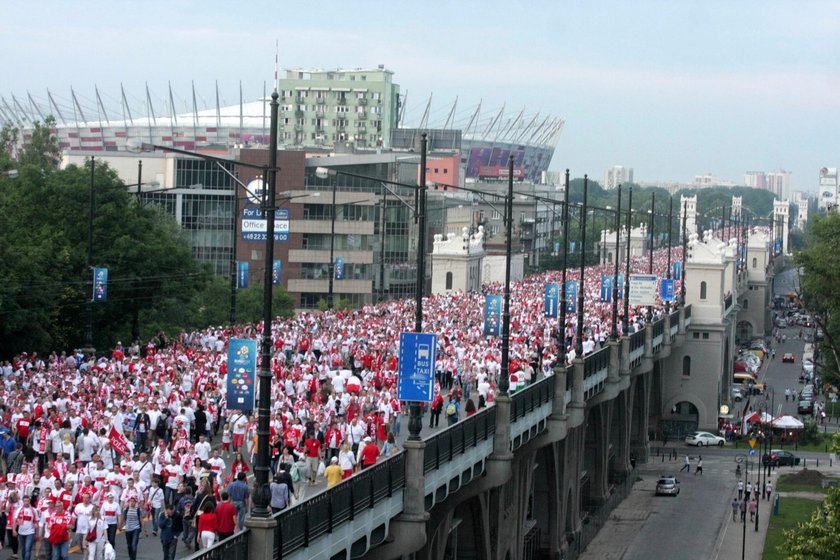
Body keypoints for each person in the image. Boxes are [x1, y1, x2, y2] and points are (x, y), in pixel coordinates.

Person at [12, 494, 39, 560]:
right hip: (21, 532)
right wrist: (14, 530)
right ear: (23, 502)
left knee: (28, 549)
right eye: (25, 501)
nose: (26, 502)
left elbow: (36, 522)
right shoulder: (19, 510)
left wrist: (37, 533)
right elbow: (15, 521)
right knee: (23, 549)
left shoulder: (34, 510)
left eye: (28, 501)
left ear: (29, 501)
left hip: (30, 532)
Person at [121, 496, 143, 560]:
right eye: (130, 501)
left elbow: (141, 519)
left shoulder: (138, 509)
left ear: (135, 502)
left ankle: (133, 559)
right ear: (128, 502)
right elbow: (123, 517)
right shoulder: (126, 509)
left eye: (133, 501)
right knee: (129, 545)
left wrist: (144, 530)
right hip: (128, 529)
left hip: (136, 528)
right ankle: (131, 556)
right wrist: (120, 525)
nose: (132, 503)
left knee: (134, 545)